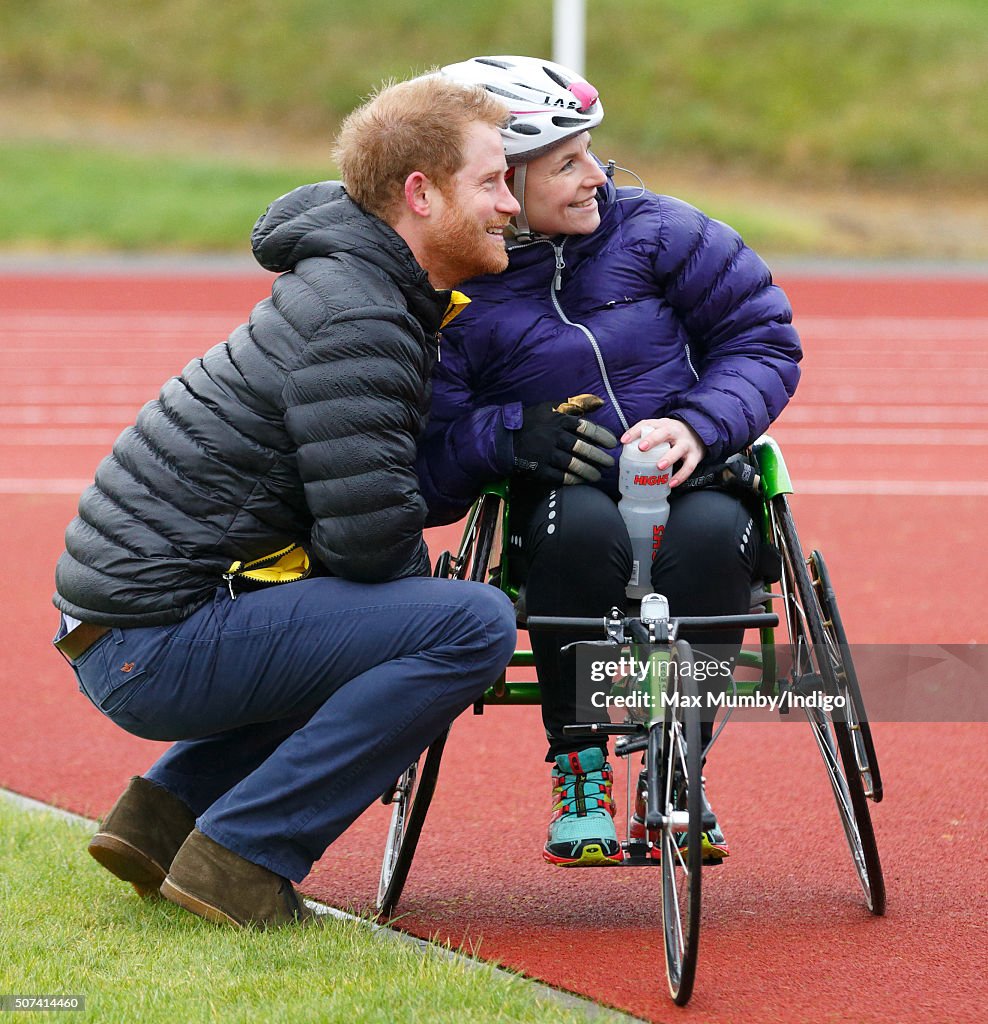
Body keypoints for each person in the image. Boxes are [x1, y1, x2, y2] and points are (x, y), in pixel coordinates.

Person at [51, 74, 521, 928]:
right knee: (472, 624)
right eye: (492, 182)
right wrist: (427, 610)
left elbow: (357, 524)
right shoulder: (361, 316)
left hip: (126, 630)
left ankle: (163, 821)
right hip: (147, 648)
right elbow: (371, 542)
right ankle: (243, 856)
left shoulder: (357, 287)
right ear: (420, 194)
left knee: (396, 627)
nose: (512, 205)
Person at [418, 56, 802, 867]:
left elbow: (761, 337)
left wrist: (699, 427)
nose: (597, 175)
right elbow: (430, 458)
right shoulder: (449, 289)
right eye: (567, 163)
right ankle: (581, 767)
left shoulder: (660, 229)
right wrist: (509, 435)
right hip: (560, 506)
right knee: (574, 533)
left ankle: (675, 767)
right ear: (501, 179)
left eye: (592, 151)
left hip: (690, 479)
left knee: (708, 541)